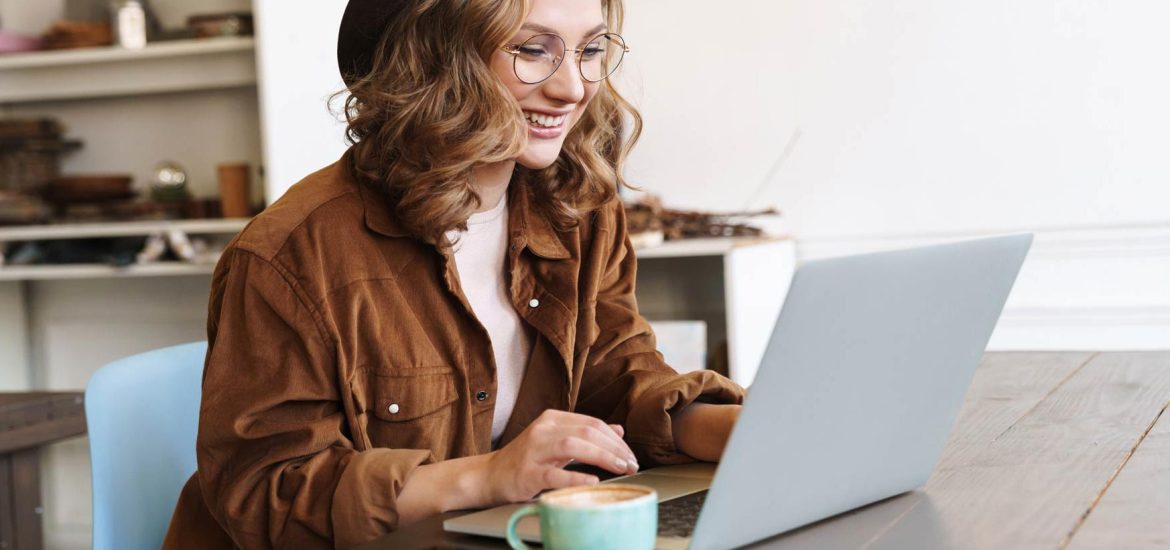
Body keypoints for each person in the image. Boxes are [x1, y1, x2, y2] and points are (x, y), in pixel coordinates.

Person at [163, 0, 745, 547]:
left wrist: (737, 431)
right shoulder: (289, 255)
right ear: (434, 58)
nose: (573, 88)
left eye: (591, 50)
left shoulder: (581, 211)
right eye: (532, 50)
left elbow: (614, 371)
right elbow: (265, 494)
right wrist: (488, 476)